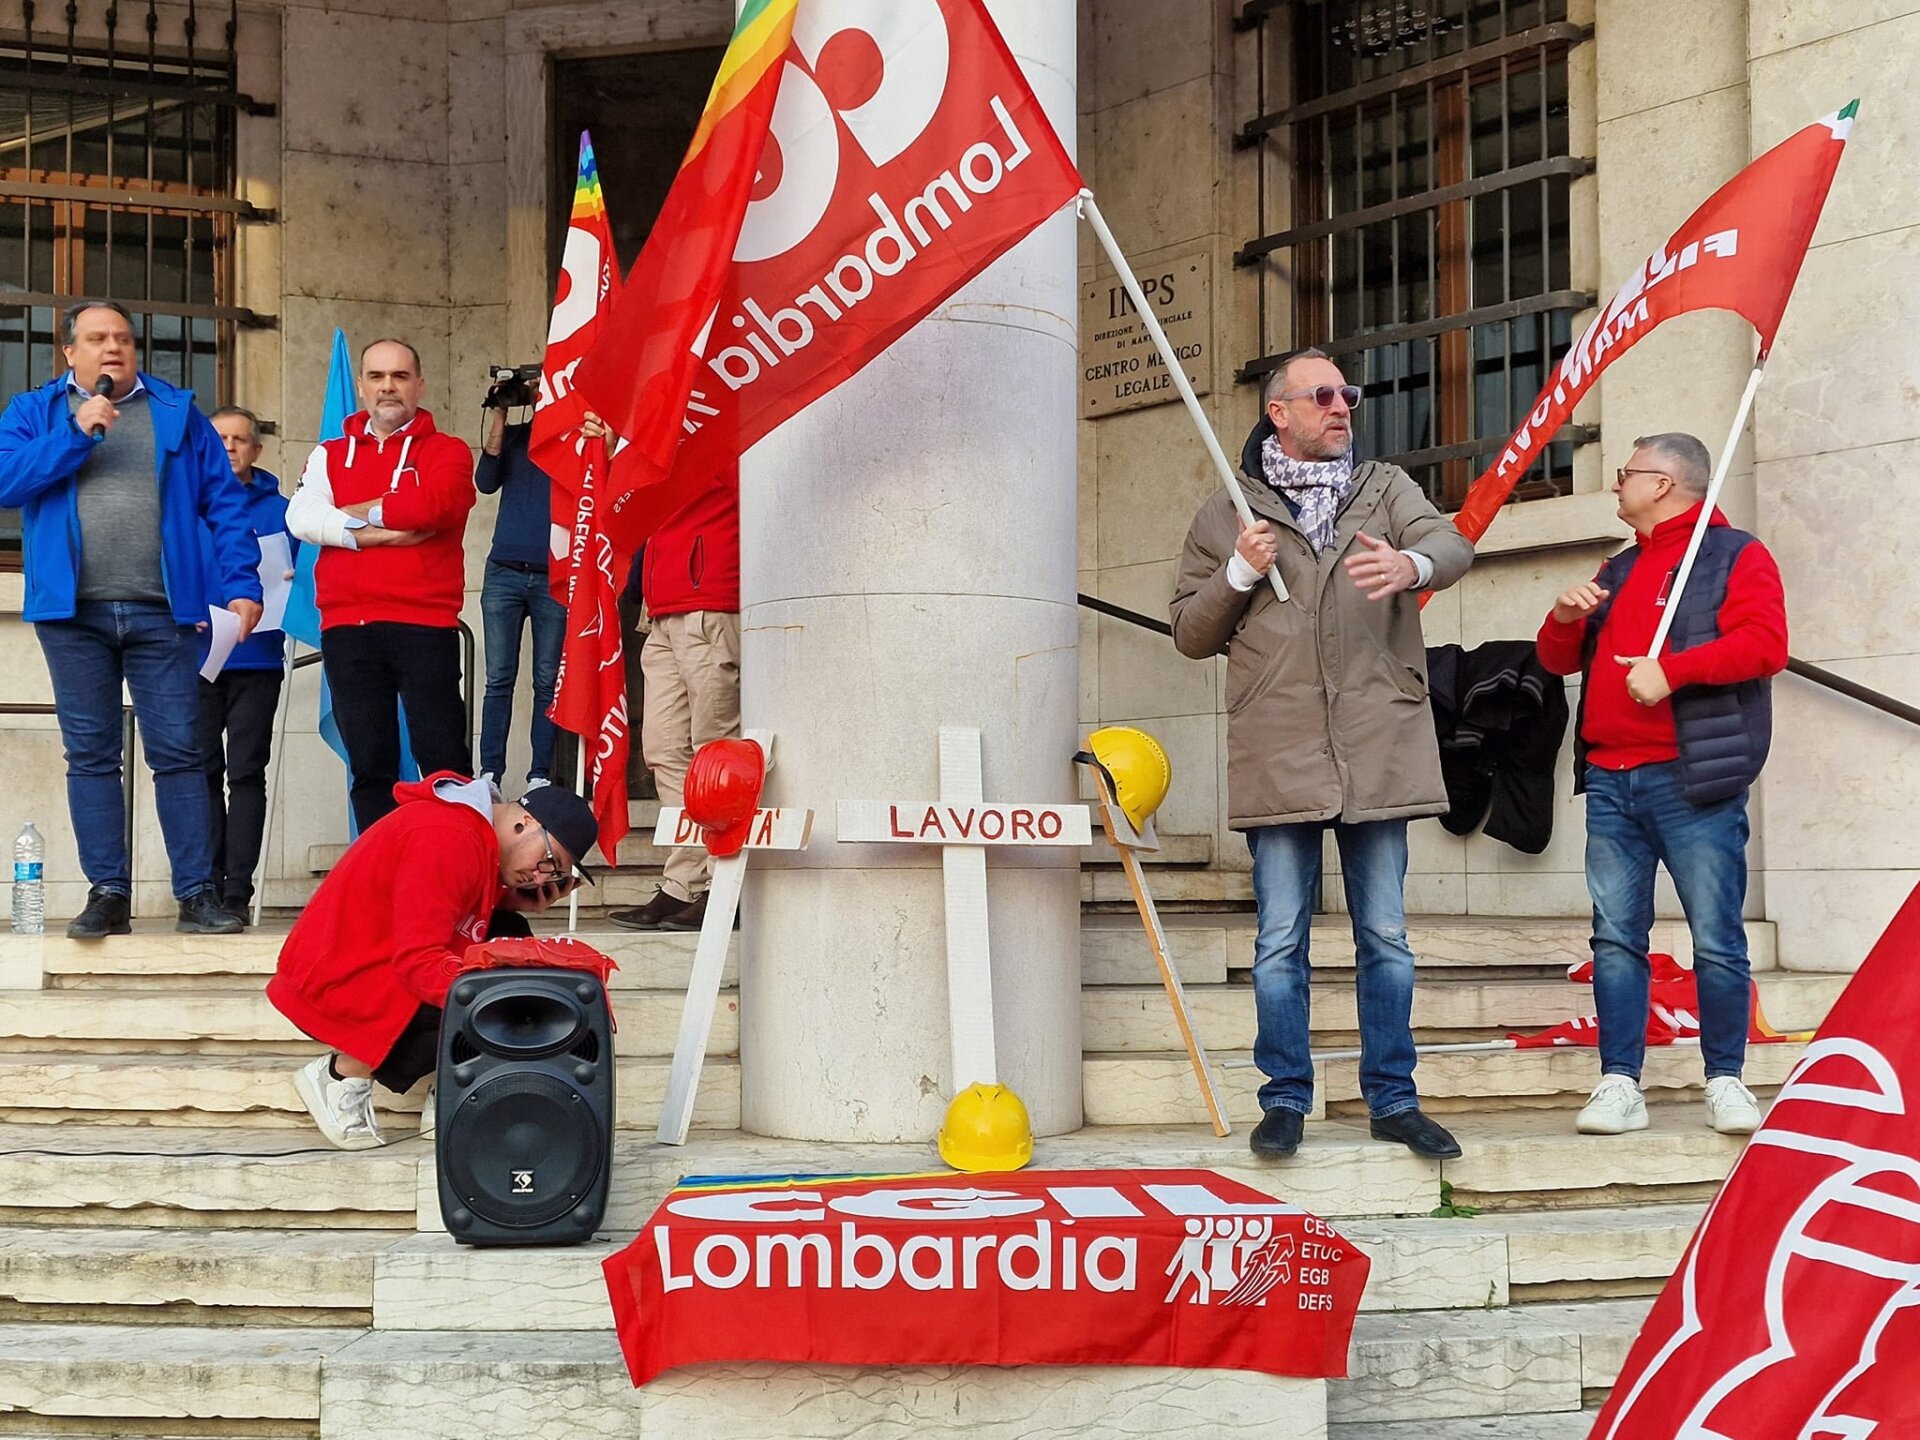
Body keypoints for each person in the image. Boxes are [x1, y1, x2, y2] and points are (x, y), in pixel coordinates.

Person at [1169, 347, 1474, 1162]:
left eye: (1350, 395)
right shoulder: (1227, 512)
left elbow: (1451, 545)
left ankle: (1394, 1099)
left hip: (1378, 743)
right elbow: (1190, 634)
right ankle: (1285, 1100)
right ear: (1280, 413)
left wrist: (1412, 563)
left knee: (1386, 937)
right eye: (1325, 396)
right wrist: (1238, 570)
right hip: (1280, 748)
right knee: (1278, 943)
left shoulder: (1385, 488)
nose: (1344, 408)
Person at [1535, 432, 1787, 1138]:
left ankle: (1726, 1078)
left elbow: (1766, 645)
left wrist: (1672, 671)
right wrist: (1562, 619)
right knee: (1615, 939)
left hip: (1693, 781)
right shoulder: (1617, 567)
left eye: (1627, 474)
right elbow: (1556, 660)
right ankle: (1619, 1083)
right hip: (1613, 781)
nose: (1617, 485)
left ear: (1666, 484)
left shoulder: (1734, 555)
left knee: (1716, 938)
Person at [0, 300, 263, 939]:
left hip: (163, 613)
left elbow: (225, 503)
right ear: (69, 353)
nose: (112, 348)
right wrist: (75, 431)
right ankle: (108, 891)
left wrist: (240, 583)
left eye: (122, 337)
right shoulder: (34, 413)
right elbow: (7, 482)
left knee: (181, 752)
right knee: (91, 755)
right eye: (97, 338)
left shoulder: (177, 412)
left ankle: (197, 894)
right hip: (72, 614)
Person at [267, 775, 599, 1149]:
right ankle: (343, 1074)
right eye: (548, 861)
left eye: (554, 874)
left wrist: (508, 902)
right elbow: (418, 961)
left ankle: (457, 1081)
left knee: (510, 937)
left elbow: (441, 908)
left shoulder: (470, 834)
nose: (539, 876)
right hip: (339, 978)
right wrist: (498, 1001)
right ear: (527, 822)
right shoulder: (449, 837)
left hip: (363, 959)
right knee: (505, 994)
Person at [286, 339, 476, 833]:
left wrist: (347, 516)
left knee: (444, 764)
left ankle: (454, 874)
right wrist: (383, 526)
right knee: (369, 766)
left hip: (423, 625)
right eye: (376, 376)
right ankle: (380, 882)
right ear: (362, 385)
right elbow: (300, 517)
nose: (387, 386)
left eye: (399, 376)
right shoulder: (329, 453)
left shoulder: (448, 451)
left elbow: (437, 506)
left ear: (419, 384)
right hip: (348, 627)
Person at [589, 412, 740, 934]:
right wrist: (618, 456)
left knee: (715, 752)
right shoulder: (661, 437)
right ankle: (684, 883)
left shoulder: (729, 423)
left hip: (710, 604)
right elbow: (631, 510)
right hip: (662, 610)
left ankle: (725, 883)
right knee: (664, 750)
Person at [195, 406, 293, 925]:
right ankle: (203, 887)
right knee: (201, 773)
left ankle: (237, 889)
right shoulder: (184, 503)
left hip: (256, 659)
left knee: (247, 772)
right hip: (195, 658)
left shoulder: (281, 511)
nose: (230, 447)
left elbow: (298, 582)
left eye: (240, 439)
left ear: (257, 449)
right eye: (220, 439)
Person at [474, 373, 565, 792]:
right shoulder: (512, 436)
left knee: (547, 679)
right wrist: (500, 410)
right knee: (500, 678)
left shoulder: (571, 440)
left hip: (553, 575)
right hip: (505, 572)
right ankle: (490, 772)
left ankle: (539, 774)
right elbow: (485, 482)